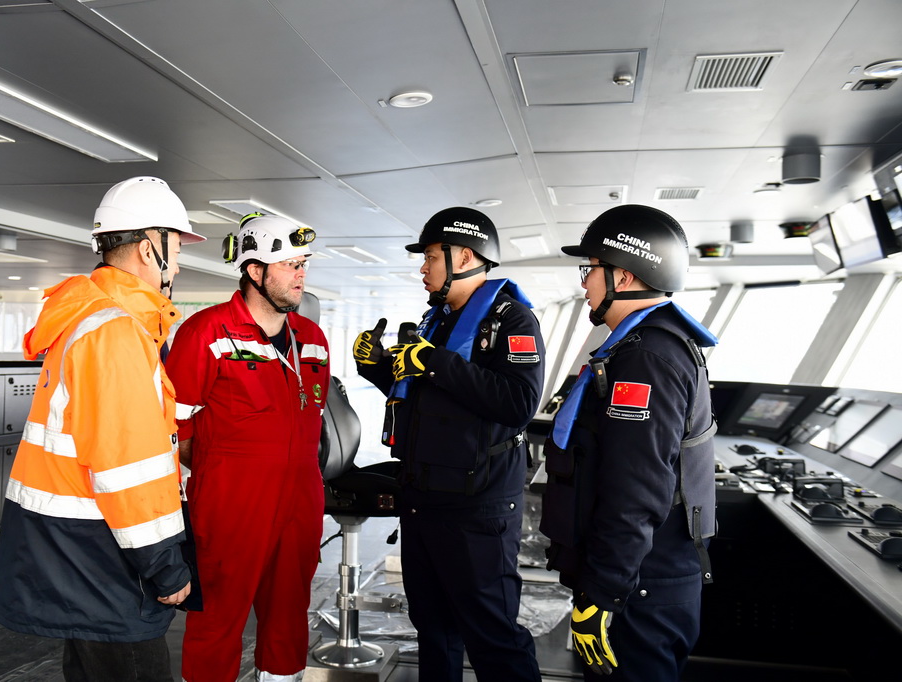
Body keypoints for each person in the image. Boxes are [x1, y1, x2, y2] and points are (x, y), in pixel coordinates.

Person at [0, 176, 205, 681]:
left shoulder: (93, 318)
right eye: (175, 245)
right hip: (105, 558)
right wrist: (164, 564)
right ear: (151, 247)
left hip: (78, 550)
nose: (178, 261)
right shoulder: (115, 332)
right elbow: (126, 465)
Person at [353, 206, 544, 682]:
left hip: (477, 509)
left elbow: (518, 402)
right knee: (433, 629)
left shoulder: (513, 322)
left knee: (492, 636)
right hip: (424, 500)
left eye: (430, 257)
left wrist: (437, 362)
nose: (423, 267)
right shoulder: (436, 321)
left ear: (463, 257)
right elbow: (426, 400)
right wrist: (376, 367)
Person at [539, 204, 719, 681]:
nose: (584, 283)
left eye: (590, 270)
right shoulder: (647, 345)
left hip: (643, 585)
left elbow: (636, 490)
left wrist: (604, 594)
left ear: (623, 273)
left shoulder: (646, 359)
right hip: (645, 578)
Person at [165, 213, 330, 682]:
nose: (301, 274)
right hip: (232, 508)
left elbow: (309, 420)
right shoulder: (206, 334)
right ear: (255, 271)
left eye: (303, 263)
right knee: (218, 622)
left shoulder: (313, 340)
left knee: (288, 621)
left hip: (300, 503)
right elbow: (173, 429)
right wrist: (224, 472)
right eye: (289, 264)